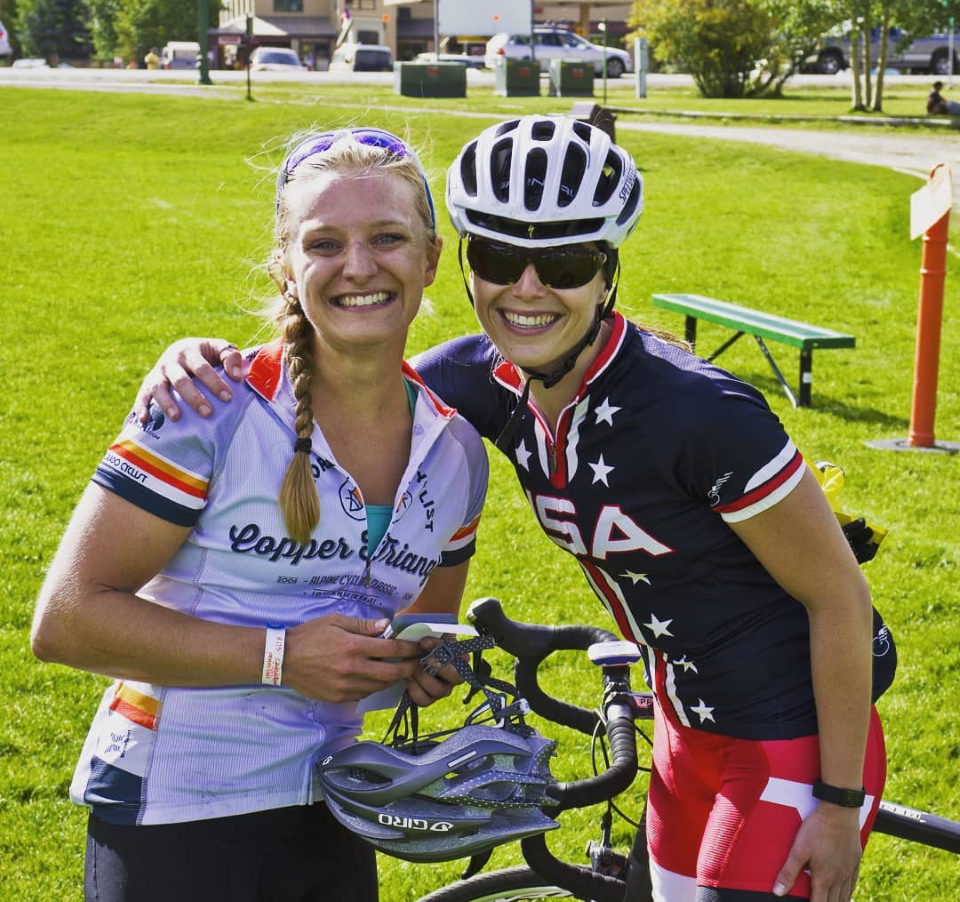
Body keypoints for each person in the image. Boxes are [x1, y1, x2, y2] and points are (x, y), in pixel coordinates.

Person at [135, 115, 897, 902]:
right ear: (462, 264)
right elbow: (329, 371)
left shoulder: (700, 412)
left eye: (564, 261)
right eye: (500, 256)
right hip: (685, 729)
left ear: (608, 273)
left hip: (795, 736)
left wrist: (839, 804)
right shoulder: (472, 378)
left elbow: (837, 594)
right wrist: (197, 359)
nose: (527, 289)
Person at [31, 127, 488, 902]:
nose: (359, 267)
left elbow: (425, 633)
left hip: (336, 804)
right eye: (324, 243)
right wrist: (281, 656)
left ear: (431, 258)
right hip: (174, 806)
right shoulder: (207, 407)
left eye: (388, 238)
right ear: (286, 264)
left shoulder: (457, 453)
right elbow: (67, 621)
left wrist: (424, 666)